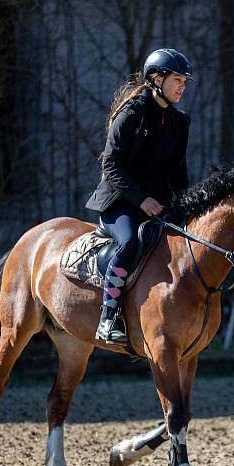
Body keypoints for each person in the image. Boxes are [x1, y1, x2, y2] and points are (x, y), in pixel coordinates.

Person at [85, 48, 193, 345]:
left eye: (185, 81)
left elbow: (179, 175)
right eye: (177, 79)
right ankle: (108, 317)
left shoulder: (180, 122)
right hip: (119, 203)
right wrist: (142, 199)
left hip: (158, 205)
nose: (182, 86)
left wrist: (187, 207)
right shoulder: (131, 113)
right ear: (156, 78)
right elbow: (111, 166)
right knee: (131, 241)